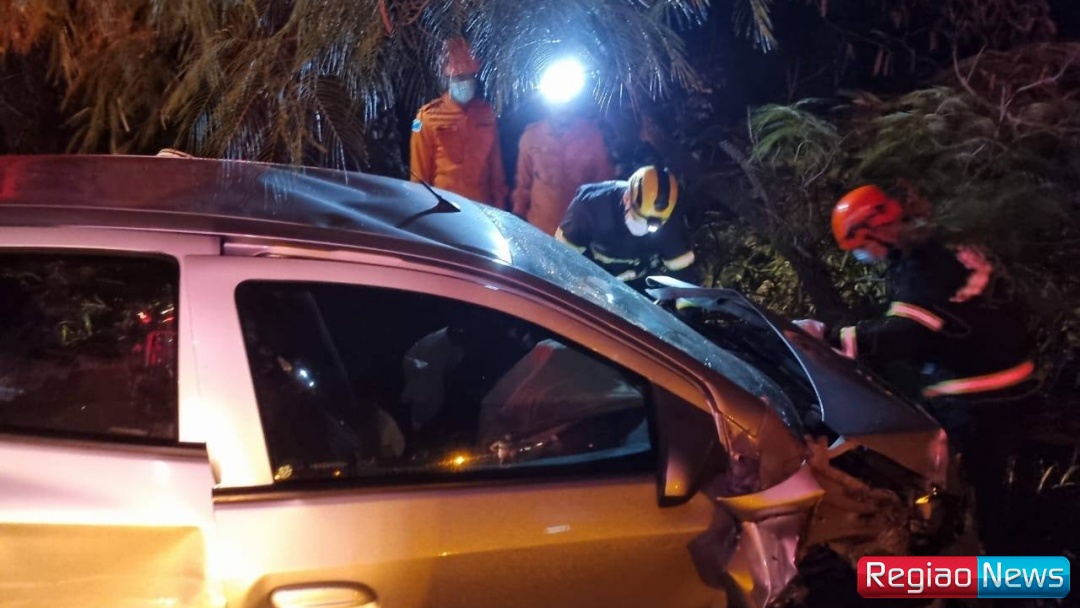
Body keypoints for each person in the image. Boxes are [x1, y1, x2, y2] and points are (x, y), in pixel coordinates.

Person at [795, 183, 1039, 554]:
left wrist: (829, 338)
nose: (864, 256)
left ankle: (1007, 571)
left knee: (983, 494)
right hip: (1012, 378)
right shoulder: (944, 245)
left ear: (876, 230)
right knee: (1000, 487)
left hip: (983, 395)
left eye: (861, 246)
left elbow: (908, 334)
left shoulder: (924, 267)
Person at [555, 165, 700, 289]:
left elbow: (681, 271)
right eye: (640, 219)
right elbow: (560, 256)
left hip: (635, 284)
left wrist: (686, 305)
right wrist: (576, 282)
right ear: (626, 199)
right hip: (588, 278)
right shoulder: (590, 206)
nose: (645, 228)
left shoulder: (670, 221)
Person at [409, 37, 508, 209]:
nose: (465, 82)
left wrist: (500, 210)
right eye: (459, 77)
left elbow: (496, 171)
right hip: (445, 211)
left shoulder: (486, 114)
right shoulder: (426, 118)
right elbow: (419, 177)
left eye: (469, 76)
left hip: (481, 210)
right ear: (447, 79)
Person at [511, 102, 616, 235]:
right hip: (539, 232)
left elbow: (604, 187)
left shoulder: (592, 136)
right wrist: (517, 219)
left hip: (577, 234)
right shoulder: (532, 136)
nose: (564, 107)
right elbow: (523, 186)